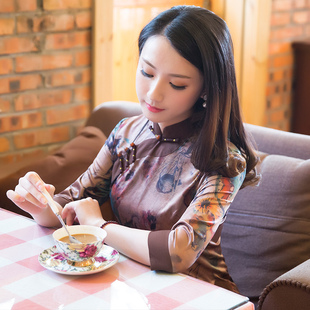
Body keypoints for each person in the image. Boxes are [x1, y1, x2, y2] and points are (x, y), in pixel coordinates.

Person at [7, 5, 259, 293]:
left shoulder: (223, 159)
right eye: (147, 72)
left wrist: (101, 227)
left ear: (205, 89)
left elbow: (179, 252)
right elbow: (73, 205)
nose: (153, 93)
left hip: (199, 292)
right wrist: (41, 204)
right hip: (129, 286)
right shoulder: (126, 133)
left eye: (176, 84)